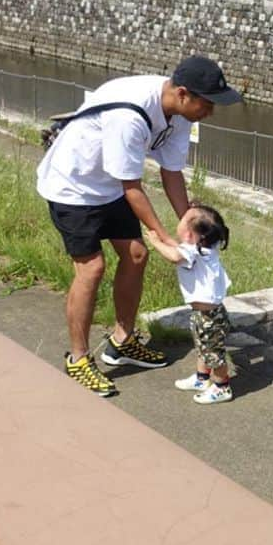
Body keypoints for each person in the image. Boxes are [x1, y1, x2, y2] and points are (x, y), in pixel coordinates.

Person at [36, 55, 242, 397]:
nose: (211, 112)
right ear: (183, 93)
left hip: (111, 184)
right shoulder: (131, 115)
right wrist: (165, 239)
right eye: (208, 104)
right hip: (73, 185)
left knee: (135, 255)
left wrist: (187, 224)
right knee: (92, 268)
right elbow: (132, 187)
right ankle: (78, 358)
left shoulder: (178, 115)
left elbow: (171, 172)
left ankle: (121, 341)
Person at [145, 203, 234, 405]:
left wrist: (155, 242)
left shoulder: (193, 252)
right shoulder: (204, 247)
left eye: (183, 219)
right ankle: (202, 379)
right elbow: (179, 249)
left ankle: (222, 387)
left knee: (213, 354)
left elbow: (174, 256)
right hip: (205, 314)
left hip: (209, 317)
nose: (180, 220)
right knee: (203, 348)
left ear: (190, 235)